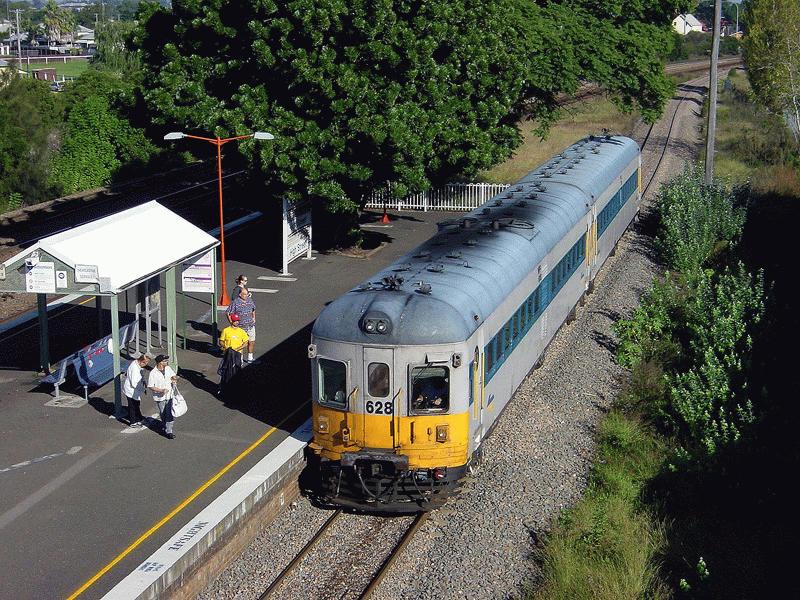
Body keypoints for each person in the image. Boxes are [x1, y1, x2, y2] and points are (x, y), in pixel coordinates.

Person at [217, 314, 248, 397]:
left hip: (238, 355)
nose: (237, 322)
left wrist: (238, 348)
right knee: (225, 370)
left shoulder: (241, 331)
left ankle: (237, 387)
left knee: (238, 370)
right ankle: (222, 387)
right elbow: (221, 341)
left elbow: (246, 343)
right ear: (232, 321)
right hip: (228, 354)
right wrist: (226, 347)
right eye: (235, 321)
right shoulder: (226, 330)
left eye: (237, 321)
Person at [148, 354, 178, 439]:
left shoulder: (168, 368)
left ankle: (169, 431)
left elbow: (173, 376)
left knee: (169, 413)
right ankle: (165, 426)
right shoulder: (153, 373)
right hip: (160, 397)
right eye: (164, 361)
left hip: (169, 395)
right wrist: (161, 390)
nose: (166, 362)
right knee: (163, 412)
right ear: (159, 362)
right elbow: (151, 386)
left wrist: (174, 379)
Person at [227, 287, 257, 363]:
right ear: (240, 294)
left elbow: (253, 309)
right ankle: (240, 359)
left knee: (251, 341)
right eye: (245, 294)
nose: (247, 295)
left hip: (250, 325)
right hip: (240, 327)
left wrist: (254, 318)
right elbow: (228, 312)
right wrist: (231, 322)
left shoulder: (249, 300)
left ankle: (250, 357)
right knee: (241, 343)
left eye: (247, 294)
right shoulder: (235, 302)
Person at [123, 351, 151, 427]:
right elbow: (134, 383)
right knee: (133, 406)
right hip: (131, 390)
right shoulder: (135, 369)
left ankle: (139, 418)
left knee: (136, 405)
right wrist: (143, 389)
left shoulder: (135, 364)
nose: (146, 365)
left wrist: (143, 383)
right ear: (141, 361)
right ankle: (133, 422)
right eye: (145, 363)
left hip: (132, 389)